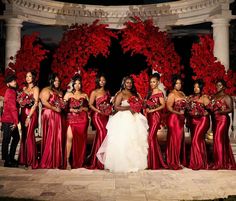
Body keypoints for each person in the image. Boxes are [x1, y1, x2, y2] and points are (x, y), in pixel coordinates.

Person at [97, 76, 149, 172]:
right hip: (123, 118)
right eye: (127, 82)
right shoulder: (121, 93)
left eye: (130, 83)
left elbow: (140, 104)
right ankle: (122, 163)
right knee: (124, 139)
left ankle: (134, 162)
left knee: (135, 140)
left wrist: (137, 106)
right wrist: (129, 108)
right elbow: (116, 107)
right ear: (124, 84)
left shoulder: (135, 94)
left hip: (134, 118)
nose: (129, 84)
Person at [63, 74, 89, 169]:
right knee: (69, 137)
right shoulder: (68, 94)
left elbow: (88, 108)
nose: (77, 85)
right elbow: (63, 108)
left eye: (79, 83)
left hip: (82, 119)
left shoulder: (85, 95)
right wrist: (72, 110)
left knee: (81, 140)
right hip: (71, 118)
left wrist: (82, 108)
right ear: (72, 84)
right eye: (75, 83)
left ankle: (80, 160)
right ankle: (67, 160)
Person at [39, 73, 64, 169]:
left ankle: (56, 160)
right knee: (51, 135)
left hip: (57, 115)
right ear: (51, 80)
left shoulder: (58, 91)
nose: (57, 82)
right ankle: (48, 159)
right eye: (55, 80)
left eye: (58, 80)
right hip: (49, 114)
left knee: (57, 136)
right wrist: (54, 108)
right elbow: (44, 101)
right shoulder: (46, 90)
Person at [87, 74, 111, 169]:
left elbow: (108, 104)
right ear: (97, 81)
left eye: (103, 80)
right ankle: (100, 161)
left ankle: (101, 159)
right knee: (102, 132)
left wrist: (108, 109)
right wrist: (98, 111)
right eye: (100, 80)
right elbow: (90, 105)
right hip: (97, 116)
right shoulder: (94, 92)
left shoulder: (107, 92)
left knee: (104, 135)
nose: (102, 82)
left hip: (105, 116)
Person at [210, 79, 236, 169]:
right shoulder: (214, 97)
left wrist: (221, 111)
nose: (218, 87)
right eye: (217, 85)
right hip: (215, 120)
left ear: (224, 87)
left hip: (223, 119)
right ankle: (221, 160)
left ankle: (219, 163)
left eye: (220, 85)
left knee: (218, 138)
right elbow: (211, 108)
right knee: (218, 139)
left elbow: (230, 109)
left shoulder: (226, 97)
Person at [145, 73, 167, 169]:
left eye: (154, 82)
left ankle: (152, 162)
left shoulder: (160, 92)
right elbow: (147, 104)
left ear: (158, 82)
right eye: (151, 82)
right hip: (150, 116)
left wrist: (153, 110)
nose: (152, 84)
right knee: (152, 138)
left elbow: (162, 105)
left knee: (150, 137)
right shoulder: (150, 93)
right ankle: (154, 162)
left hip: (156, 116)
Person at [17, 71, 39, 168]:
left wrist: (29, 117)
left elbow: (35, 103)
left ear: (33, 77)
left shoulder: (36, 88)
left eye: (30, 76)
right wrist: (21, 103)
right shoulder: (24, 89)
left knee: (30, 135)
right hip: (23, 114)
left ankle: (31, 160)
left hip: (31, 114)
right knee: (24, 136)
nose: (28, 78)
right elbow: (20, 102)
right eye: (26, 76)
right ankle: (23, 159)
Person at [187, 79, 210, 170]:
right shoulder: (191, 97)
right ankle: (200, 162)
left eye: (198, 87)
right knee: (198, 140)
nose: (196, 88)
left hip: (203, 120)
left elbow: (211, 110)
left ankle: (198, 163)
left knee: (196, 139)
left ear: (201, 88)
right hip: (193, 121)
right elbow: (188, 109)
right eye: (194, 87)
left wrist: (205, 112)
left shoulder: (204, 97)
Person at [166, 75, 187, 170]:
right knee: (175, 140)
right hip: (174, 119)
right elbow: (169, 107)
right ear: (173, 84)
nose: (178, 85)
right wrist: (178, 112)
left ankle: (178, 159)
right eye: (176, 83)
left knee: (179, 139)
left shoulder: (182, 93)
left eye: (179, 83)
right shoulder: (172, 94)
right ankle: (173, 161)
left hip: (180, 119)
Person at [1, 73, 19, 167]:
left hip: (9, 119)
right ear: (8, 84)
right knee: (7, 139)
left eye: (14, 80)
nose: (14, 82)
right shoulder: (10, 91)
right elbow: (12, 108)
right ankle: (7, 161)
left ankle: (10, 158)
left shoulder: (12, 91)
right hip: (9, 120)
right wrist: (16, 122)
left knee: (15, 138)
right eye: (12, 81)